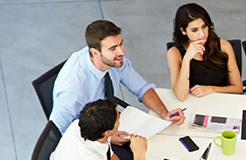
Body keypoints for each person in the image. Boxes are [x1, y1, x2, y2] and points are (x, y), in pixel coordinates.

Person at [50, 19, 185, 136]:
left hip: (110, 122)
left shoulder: (114, 61)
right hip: (89, 137)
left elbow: (142, 89)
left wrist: (165, 114)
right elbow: (61, 132)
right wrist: (106, 138)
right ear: (95, 52)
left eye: (121, 44)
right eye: (113, 48)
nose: (121, 52)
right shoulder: (72, 89)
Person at [167, 3, 242, 100]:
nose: (202, 34)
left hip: (220, 101)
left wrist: (211, 89)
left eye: (204, 26)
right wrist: (186, 60)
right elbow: (180, 96)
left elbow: (238, 88)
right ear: (183, 31)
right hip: (194, 104)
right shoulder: (174, 53)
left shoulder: (224, 46)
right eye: (194, 30)